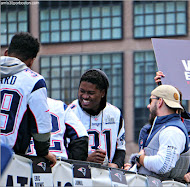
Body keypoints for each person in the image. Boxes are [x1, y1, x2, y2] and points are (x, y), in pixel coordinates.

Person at [0, 32, 56, 166]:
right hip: (9, 159)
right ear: (31, 61)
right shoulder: (34, 80)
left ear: (6, 53)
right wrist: (43, 152)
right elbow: (41, 125)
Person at [130, 85, 190, 181]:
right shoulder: (164, 128)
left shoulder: (172, 130)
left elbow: (163, 165)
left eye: (151, 100)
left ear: (160, 102)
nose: (148, 105)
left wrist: (140, 158)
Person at [69, 69, 125, 168]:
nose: (85, 96)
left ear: (102, 93)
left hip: (107, 177)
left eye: (90, 93)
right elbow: (63, 150)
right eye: (82, 91)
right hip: (79, 175)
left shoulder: (115, 113)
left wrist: (116, 165)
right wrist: (85, 159)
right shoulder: (70, 112)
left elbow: (120, 148)